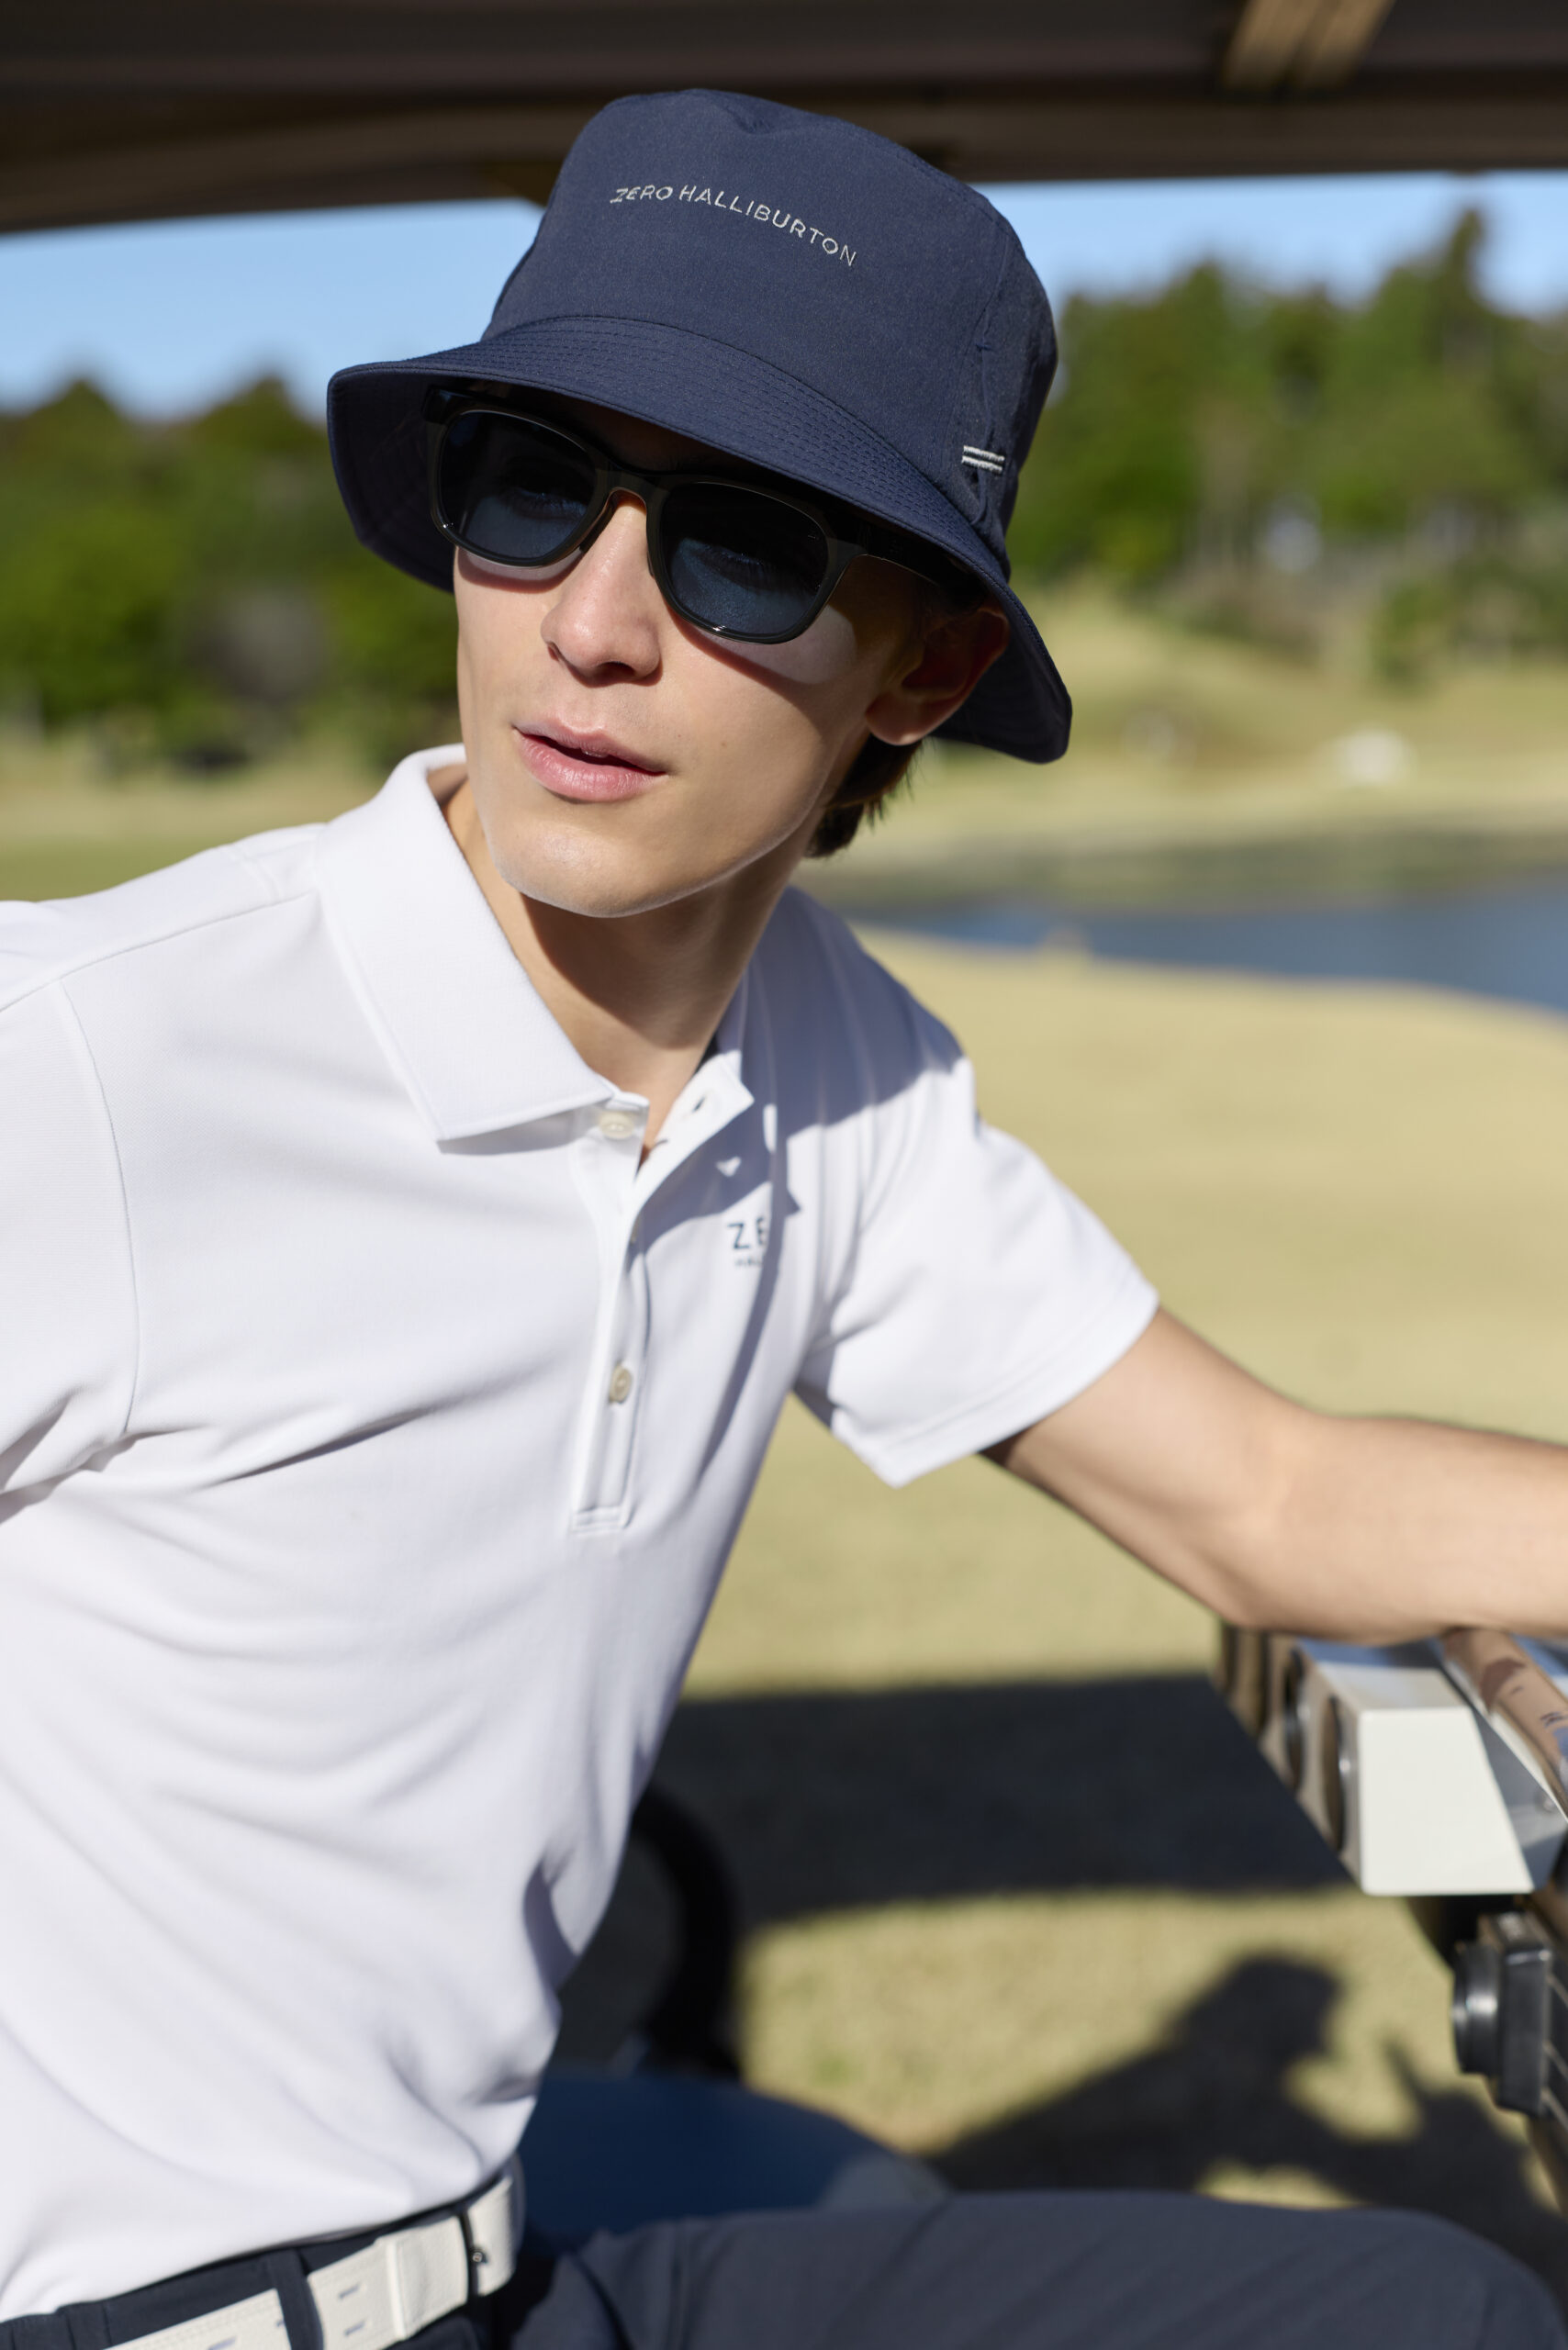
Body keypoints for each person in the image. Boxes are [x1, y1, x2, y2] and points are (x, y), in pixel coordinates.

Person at [2, 83, 1565, 2350]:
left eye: (741, 544)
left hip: (496, 2276)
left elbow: (1263, 1498)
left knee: (1430, 2311)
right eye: (531, 487)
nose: (591, 624)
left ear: (917, 670)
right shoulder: (82, 1052)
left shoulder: (827, 1064)